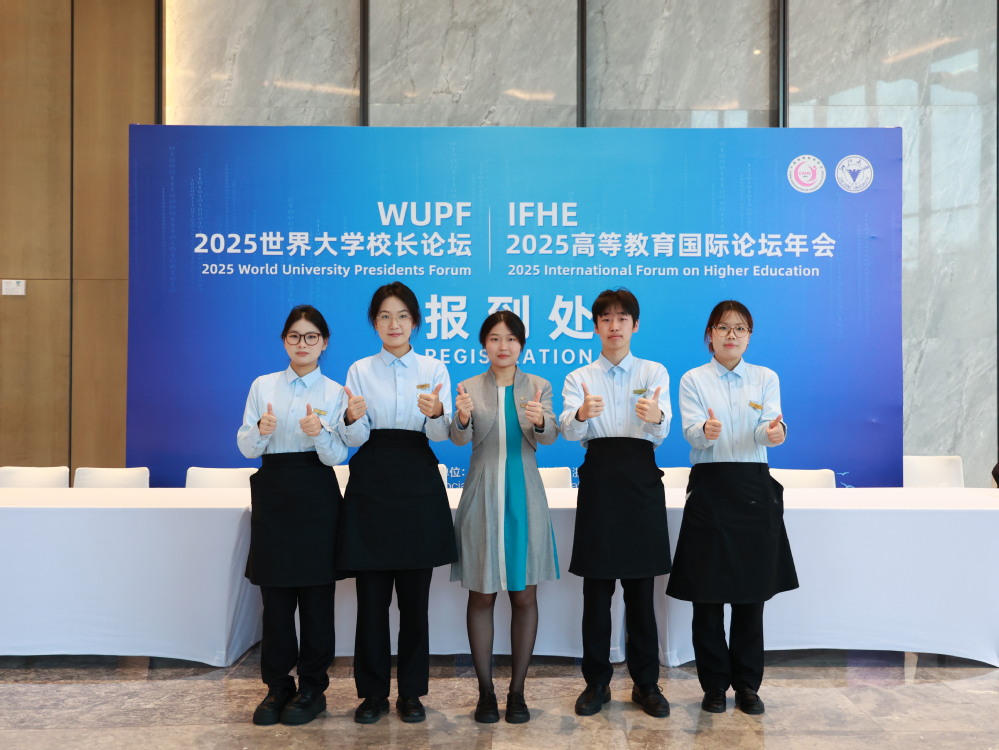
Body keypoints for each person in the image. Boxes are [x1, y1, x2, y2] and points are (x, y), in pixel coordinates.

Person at [666, 300, 798, 715]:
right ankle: (712, 686)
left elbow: (768, 427)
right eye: (723, 327)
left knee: (750, 597)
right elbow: (692, 434)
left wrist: (775, 433)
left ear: (749, 336)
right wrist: (705, 431)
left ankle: (747, 686)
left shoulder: (765, 377)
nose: (731, 335)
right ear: (710, 334)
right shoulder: (693, 379)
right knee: (707, 597)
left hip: (754, 489)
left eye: (740, 328)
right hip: (710, 488)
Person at [337, 281, 457, 724]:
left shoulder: (434, 367)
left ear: (415, 322)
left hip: (417, 483)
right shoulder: (359, 370)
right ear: (375, 322)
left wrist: (436, 413)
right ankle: (372, 694)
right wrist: (349, 418)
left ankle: (411, 693)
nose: (394, 324)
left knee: (414, 603)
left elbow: (442, 435)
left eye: (402, 316)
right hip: (371, 484)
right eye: (385, 316)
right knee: (371, 603)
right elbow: (354, 437)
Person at [559, 288, 672, 719]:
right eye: (605, 318)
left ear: (635, 325)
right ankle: (596, 683)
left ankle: (647, 684)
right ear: (595, 326)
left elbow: (662, 432)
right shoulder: (579, 377)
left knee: (641, 593)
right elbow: (569, 431)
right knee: (597, 593)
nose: (614, 326)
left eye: (622, 318)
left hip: (641, 481)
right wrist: (582, 414)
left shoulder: (654, 371)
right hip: (600, 483)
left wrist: (656, 417)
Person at [236, 304, 348, 726]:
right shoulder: (262, 385)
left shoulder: (335, 392)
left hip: (317, 493)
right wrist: (260, 432)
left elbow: (338, 456)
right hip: (275, 493)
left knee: (317, 599)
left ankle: (313, 688)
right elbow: (246, 447)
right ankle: (277, 687)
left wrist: (320, 435)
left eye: (311, 337)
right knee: (277, 601)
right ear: (284, 340)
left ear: (324, 343)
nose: (303, 344)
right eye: (295, 336)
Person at [450, 310, 560, 724]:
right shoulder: (468, 387)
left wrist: (542, 420)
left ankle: (517, 692)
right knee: (481, 594)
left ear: (521, 345)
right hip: (481, 493)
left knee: (524, 594)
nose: (503, 346)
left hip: (524, 494)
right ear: (484, 344)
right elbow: (457, 437)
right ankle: (485, 692)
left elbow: (551, 436)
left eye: (511, 339)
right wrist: (461, 417)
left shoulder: (538, 386)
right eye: (495, 338)